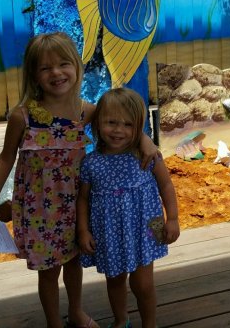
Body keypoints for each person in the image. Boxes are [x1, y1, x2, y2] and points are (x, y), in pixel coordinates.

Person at [0, 32, 160, 328]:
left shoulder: (86, 112)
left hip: (78, 202)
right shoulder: (22, 117)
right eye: (46, 68)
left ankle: (75, 311)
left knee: (74, 261)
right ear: (34, 75)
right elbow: (5, 158)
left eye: (63, 64)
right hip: (39, 208)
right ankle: (54, 322)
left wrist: (146, 142)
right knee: (48, 271)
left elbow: (122, 121)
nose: (56, 73)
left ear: (75, 66)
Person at [77, 88, 179, 328]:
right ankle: (121, 320)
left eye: (127, 124)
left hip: (144, 229)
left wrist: (172, 218)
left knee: (143, 284)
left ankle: (149, 323)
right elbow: (82, 199)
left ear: (139, 127)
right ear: (98, 123)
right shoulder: (91, 163)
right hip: (109, 233)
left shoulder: (147, 155)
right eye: (111, 122)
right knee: (115, 281)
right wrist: (83, 231)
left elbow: (166, 185)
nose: (119, 130)